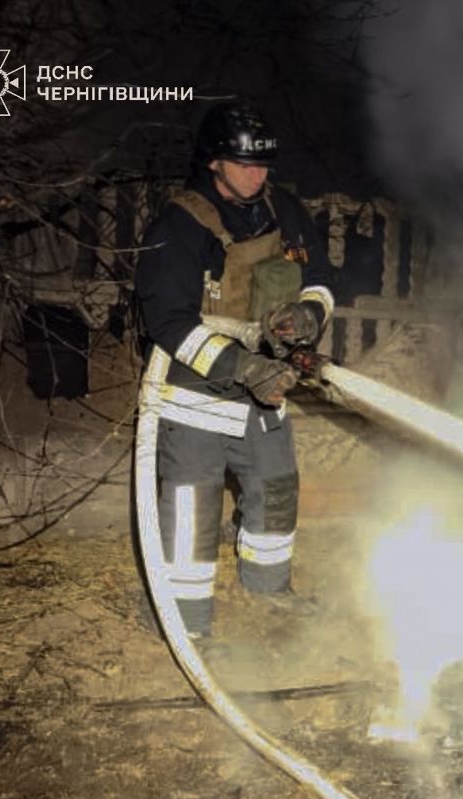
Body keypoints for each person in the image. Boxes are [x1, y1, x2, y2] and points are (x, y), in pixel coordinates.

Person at [133, 101, 334, 639]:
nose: (255, 175)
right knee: (192, 513)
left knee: (276, 491)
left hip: (265, 394)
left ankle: (268, 594)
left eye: (262, 164)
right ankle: (185, 622)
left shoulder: (284, 211)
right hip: (196, 398)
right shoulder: (179, 225)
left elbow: (321, 280)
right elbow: (168, 324)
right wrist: (243, 365)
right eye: (243, 165)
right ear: (214, 162)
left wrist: (308, 313)